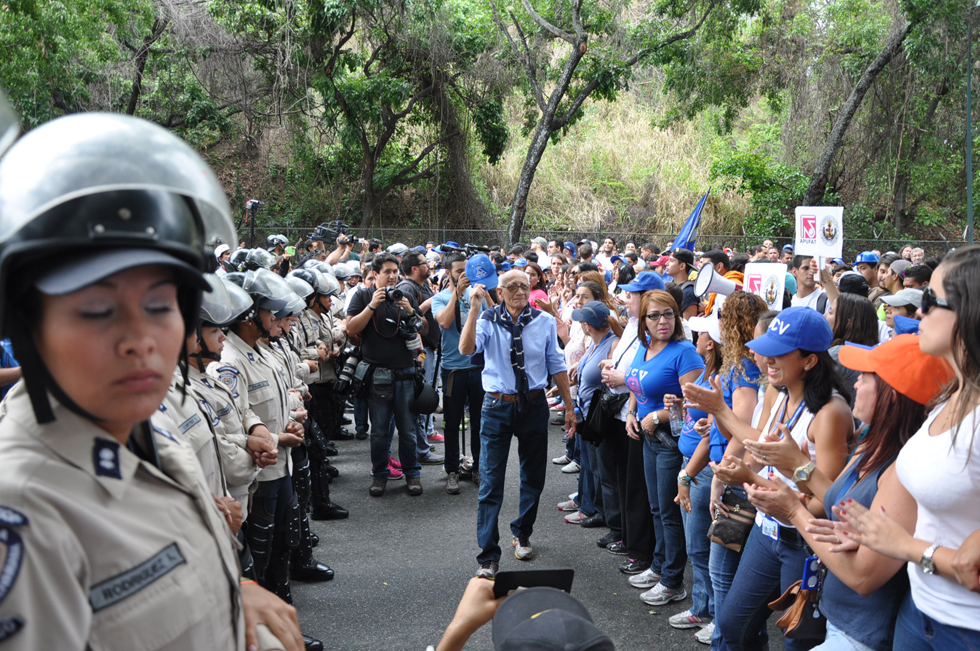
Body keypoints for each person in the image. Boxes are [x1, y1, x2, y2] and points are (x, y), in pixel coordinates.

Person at [0, 112, 303, 650]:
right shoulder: (25, 512)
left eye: (160, 304)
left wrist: (231, 591)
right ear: (29, 328)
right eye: (97, 309)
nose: (140, 340)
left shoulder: (150, 434)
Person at [743, 334, 953, 651]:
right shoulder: (870, 435)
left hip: (862, 631)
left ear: (891, 395)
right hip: (837, 616)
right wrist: (796, 467)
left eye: (865, 377)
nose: (854, 384)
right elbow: (841, 504)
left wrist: (793, 512)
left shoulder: (903, 468)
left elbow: (863, 576)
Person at [833, 247, 980, 650]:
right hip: (920, 613)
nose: (918, 312)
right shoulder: (953, 397)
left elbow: (971, 567)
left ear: (969, 313)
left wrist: (902, 546)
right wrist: (872, 534)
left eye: (930, 300)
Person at [684, 306, 853, 651]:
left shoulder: (831, 413)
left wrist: (766, 482)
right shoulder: (779, 392)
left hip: (802, 543)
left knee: (796, 639)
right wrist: (721, 414)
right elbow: (760, 446)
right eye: (766, 348)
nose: (766, 358)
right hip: (766, 531)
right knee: (733, 624)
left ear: (809, 361)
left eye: (779, 351)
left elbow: (830, 503)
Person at [459, 269, 574, 578]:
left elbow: (556, 364)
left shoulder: (545, 322)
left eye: (525, 285)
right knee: (491, 482)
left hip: (534, 404)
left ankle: (522, 532)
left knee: (533, 476)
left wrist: (571, 408)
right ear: (500, 292)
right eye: (513, 287)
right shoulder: (487, 321)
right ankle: (488, 556)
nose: (521, 291)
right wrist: (473, 308)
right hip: (496, 405)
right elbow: (467, 349)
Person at [625, 290, 706, 606]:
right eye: (655, 315)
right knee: (656, 508)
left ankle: (673, 580)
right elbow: (635, 383)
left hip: (671, 442)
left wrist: (658, 415)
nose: (663, 321)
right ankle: (659, 567)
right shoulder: (646, 347)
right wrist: (632, 412)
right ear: (643, 321)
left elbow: (699, 403)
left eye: (669, 314)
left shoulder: (685, 352)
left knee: (669, 512)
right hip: (648, 439)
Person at [598, 272, 665, 575]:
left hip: (652, 421)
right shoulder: (634, 326)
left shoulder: (664, 330)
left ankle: (646, 554)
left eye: (632, 294)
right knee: (626, 483)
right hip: (627, 412)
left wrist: (623, 378)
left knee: (645, 493)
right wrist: (612, 366)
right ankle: (631, 539)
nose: (626, 299)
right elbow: (633, 365)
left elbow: (654, 375)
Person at [347, 252, 428, 497]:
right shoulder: (362, 296)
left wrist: (411, 311)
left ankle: (412, 474)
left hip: (405, 373)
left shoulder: (404, 296)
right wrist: (373, 305)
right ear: (375, 274)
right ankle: (379, 475)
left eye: (395, 271)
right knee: (380, 431)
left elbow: (423, 327)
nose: (392, 276)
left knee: (408, 429)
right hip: (377, 375)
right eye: (387, 272)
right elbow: (351, 328)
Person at [432, 252, 485, 494]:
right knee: (451, 423)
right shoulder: (441, 298)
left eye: (467, 270)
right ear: (448, 273)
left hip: (478, 367)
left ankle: (478, 469)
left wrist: (485, 294)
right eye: (459, 271)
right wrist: (456, 294)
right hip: (453, 368)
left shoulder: (478, 294)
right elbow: (443, 322)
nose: (464, 275)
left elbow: (492, 318)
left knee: (479, 422)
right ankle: (452, 469)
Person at [564, 301, 618, 529]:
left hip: (601, 418)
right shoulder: (595, 343)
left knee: (604, 472)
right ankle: (598, 509)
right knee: (593, 467)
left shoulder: (612, 343)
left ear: (588, 325)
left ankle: (608, 517)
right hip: (587, 414)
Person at [664, 249, 698, 319]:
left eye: (671, 261)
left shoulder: (688, 292)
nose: (666, 263)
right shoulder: (669, 286)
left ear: (682, 266)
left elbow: (688, 326)